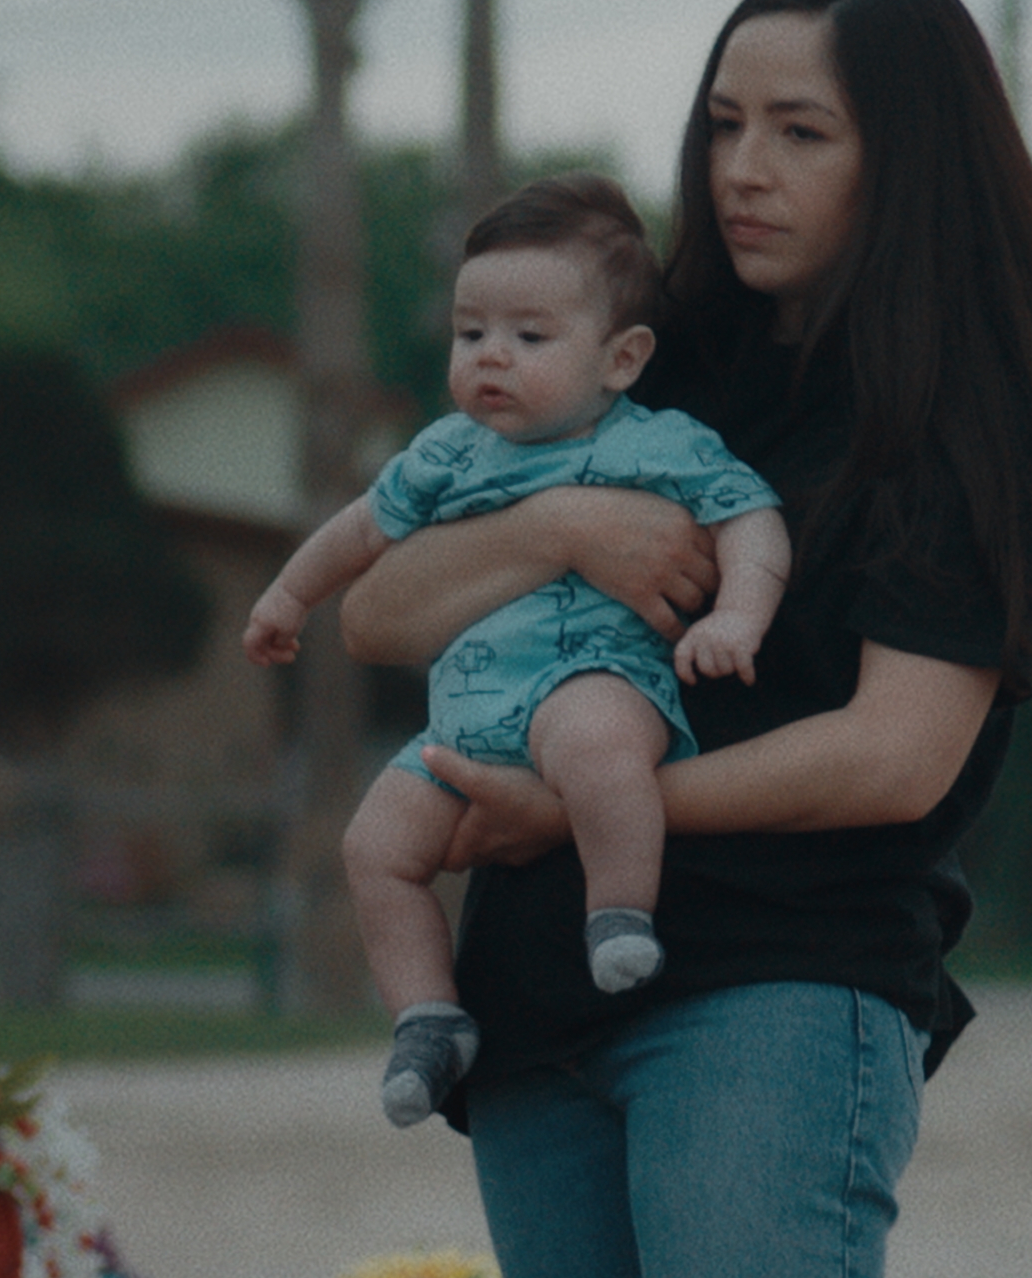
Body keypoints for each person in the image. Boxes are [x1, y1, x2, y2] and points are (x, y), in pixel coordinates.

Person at [337, 0, 1032, 1278]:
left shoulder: (962, 418)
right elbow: (384, 606)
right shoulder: (629, 369)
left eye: (801, 131)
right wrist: (570, 532)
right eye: (723, 122)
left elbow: (896, 755)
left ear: (904, 160)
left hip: (769, 999)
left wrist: (587, 805)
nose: (741, 166)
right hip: (533, 1009)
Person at [242, 174, 790, 1130]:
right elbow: (360, 531)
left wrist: (735, 618)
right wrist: (289, 596)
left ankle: (619, 914)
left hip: (594, 677)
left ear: (621, 358)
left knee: (593, 751)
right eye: (471, 334)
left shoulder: (656, 444)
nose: (492, 356)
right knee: (375, 847)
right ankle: (427, 1018)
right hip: (465, 717)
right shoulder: (447, 454)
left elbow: (753, 521)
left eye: (530, 338)